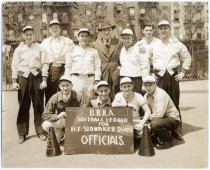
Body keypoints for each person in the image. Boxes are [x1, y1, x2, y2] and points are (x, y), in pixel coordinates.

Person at [11, 26, 49, 144]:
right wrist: (14, 81)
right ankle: (22, 133)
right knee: (23, 105)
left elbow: (45, 64)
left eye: (30, 34)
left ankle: (41, 130)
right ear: (23, 35)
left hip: (37, 77)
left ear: (33, 35)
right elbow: (14, 65)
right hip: (23, 78)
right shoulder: (19, 49)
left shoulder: (40, 48)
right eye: (26, 34)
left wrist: (44, 79)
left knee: (38, 104)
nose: (28, 36)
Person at [151, 20, 192, 112]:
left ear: (170, 29)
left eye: (165, 28)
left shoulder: (177, 44)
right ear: (158, 31)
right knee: (159, 101)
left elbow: (187, 57)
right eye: (161, 29)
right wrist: (151, 73)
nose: (163, 30)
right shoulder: (154, 45)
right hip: (159, 77)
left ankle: (176, 123)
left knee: (174, 101)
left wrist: (183, 73)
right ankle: (161, 123)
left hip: (173, 76)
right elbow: (147, 59)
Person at [41, 20, 75, 105]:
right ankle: (49, 116)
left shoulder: (68, 41)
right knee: (50, 94)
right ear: (49, 30)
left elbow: (74, 54)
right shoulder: (45, 42)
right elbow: (39, 55)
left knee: (65, 93)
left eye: (56, 27)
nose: (54, 29)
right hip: (52, 69)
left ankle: (65, 115)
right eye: (52, 28)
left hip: (64, 69)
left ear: (60, 29)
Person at [64, 28, 101, 106]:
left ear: (89, 38)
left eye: (86, 36)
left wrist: (97, 80)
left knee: (89, 102)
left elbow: (97, 67)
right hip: (76, 79)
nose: (84, 38)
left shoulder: (94, 51)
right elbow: (68, 66)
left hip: (90, 79)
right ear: (78, 37)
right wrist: (68, 80)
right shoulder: (72, 50)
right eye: (82, 36)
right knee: (76, 101)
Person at [143, 75, 181, 149]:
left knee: (154, 124)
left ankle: (169, 140)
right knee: (149, 125)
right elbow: (146, 111)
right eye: (146, 85)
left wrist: (145, 119)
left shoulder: (160, 94)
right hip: (162, 119)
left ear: (155, 84)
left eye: (150, 85)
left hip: (172, 119)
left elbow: (159, 115)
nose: (148, 88)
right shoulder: (146, 95)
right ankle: (169, 133)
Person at [42, 75, 80, 144]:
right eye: (63, 86)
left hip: (74, 122)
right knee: (45, 125)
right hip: (61, 122)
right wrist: (57, 116)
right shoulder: (55, 97)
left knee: (75, 142)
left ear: (72, 85)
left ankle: (70, 135)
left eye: (67, 85)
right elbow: (45, 115)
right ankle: (61, 132)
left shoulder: (78, 96)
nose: (65, 88)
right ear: (59, 87)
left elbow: (85, 111)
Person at [92, 20, 123, 100]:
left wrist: (141, 47)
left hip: (115, 76)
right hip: (102, 74)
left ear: (111, 31)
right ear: (101, 32)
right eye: (104, 30)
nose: (106, 32)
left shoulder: (118, 42)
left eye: (108, 30)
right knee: (103, 97)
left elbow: (127, 50)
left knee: (116, 97)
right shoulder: (95, 44)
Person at [119, 28, 150, 94]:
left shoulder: (139, 49)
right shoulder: (121, 50)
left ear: (132, 38)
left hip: (136, 80)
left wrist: (144, 83)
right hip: (124, 78)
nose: (126, 40)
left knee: (137, 101)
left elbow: (145, 66)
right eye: (124, 38)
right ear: (121, 39)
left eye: (128, 38)